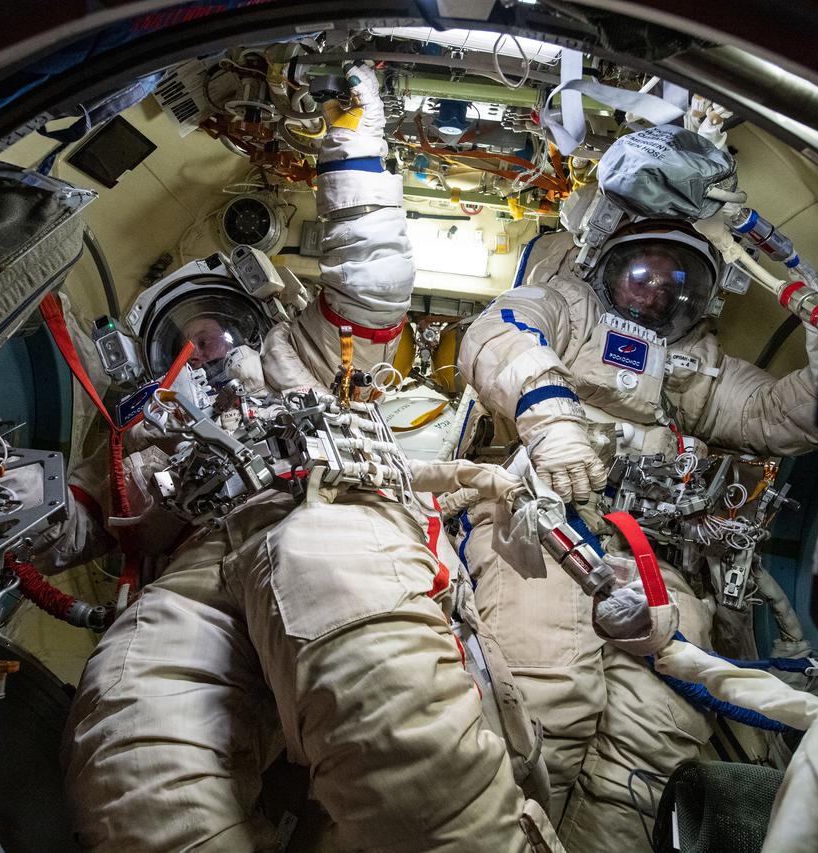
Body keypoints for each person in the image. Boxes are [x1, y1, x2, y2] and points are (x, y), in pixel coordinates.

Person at [59, 64, 561, 852]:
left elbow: (371, 281)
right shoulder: (144, 435)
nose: (205, 352)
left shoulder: (304, 358)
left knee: (407, 761)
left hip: (330, 506)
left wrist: (353, 135)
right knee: (135, 763)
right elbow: (71, 516)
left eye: (216, 327)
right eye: (182, 340)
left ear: (256, 314)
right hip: (198, 576)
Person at [454, 211, 818, 852]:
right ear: (607, 266)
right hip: (533, 526)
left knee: (661, 730)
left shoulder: (697, 366)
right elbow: (497, 335)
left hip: (649, 554)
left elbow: (775, 415)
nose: (655, 293)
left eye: (676, 284)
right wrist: (549, 416)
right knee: (547, 691)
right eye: (641, 273)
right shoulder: (562, 307)